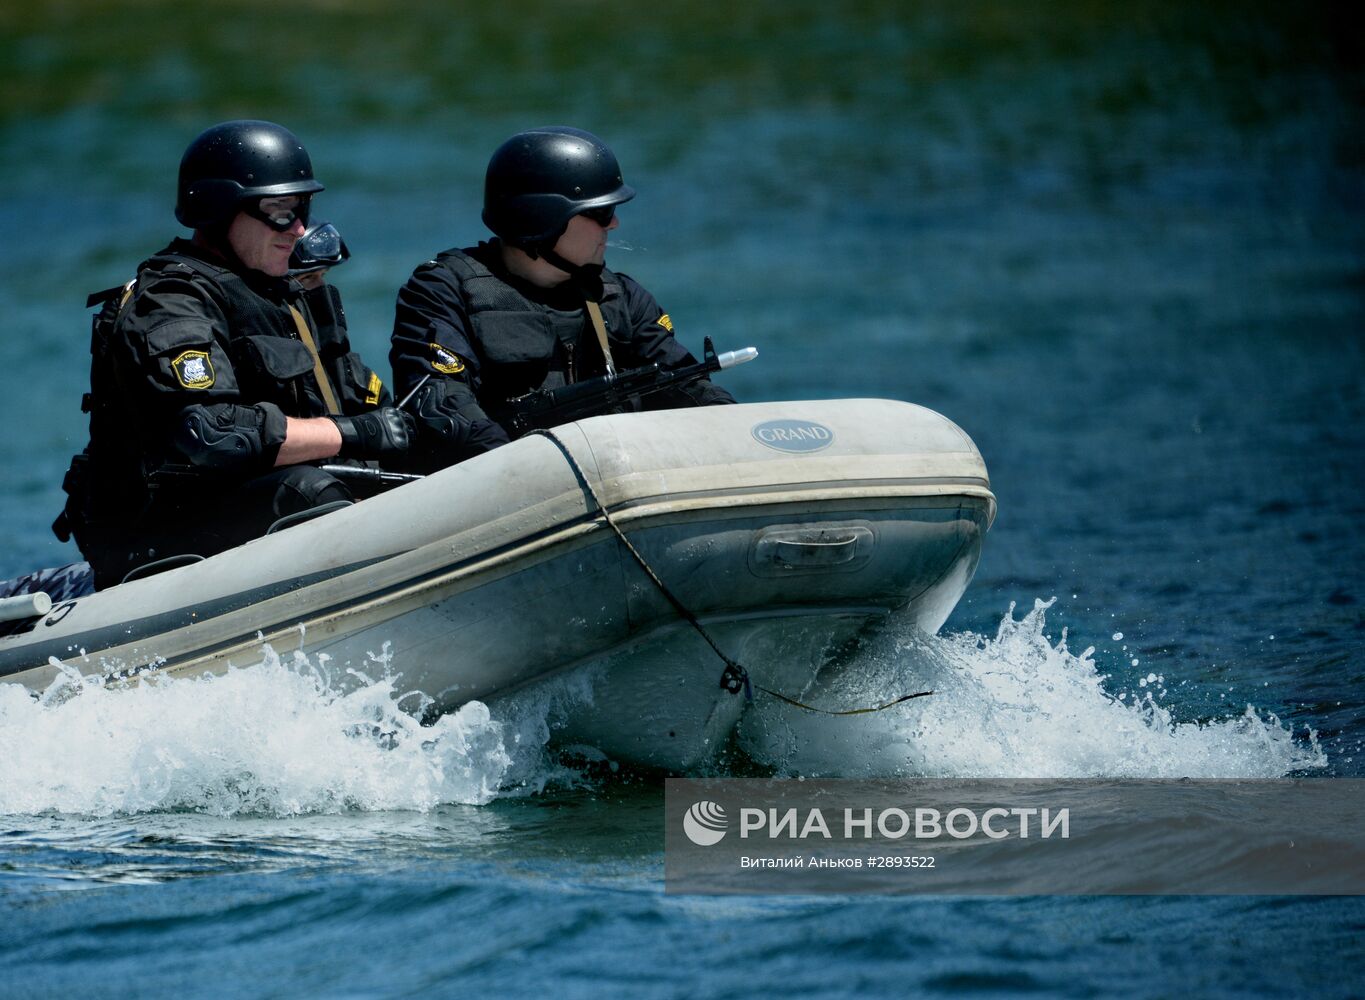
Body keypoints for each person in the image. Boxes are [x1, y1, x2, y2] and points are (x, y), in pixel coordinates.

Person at [54, 120, 409, 590]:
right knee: (306, 492)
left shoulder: (284, 295)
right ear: (220, 210)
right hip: (157, 528)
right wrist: (354, 432)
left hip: (250, 501)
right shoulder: (170, 300)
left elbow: (359, 401)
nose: (298, 228)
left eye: (302, 208)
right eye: (280, 211)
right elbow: (213, 434)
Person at [390, 125, 735, 470]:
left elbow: (684, 382)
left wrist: (730, 425)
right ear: (543, 218)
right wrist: (528, 470)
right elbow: (442, 405)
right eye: (600, 213)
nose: (613, 224)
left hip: (610, 479)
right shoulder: (443, 291)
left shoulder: (620, 297)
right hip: (491, 493)